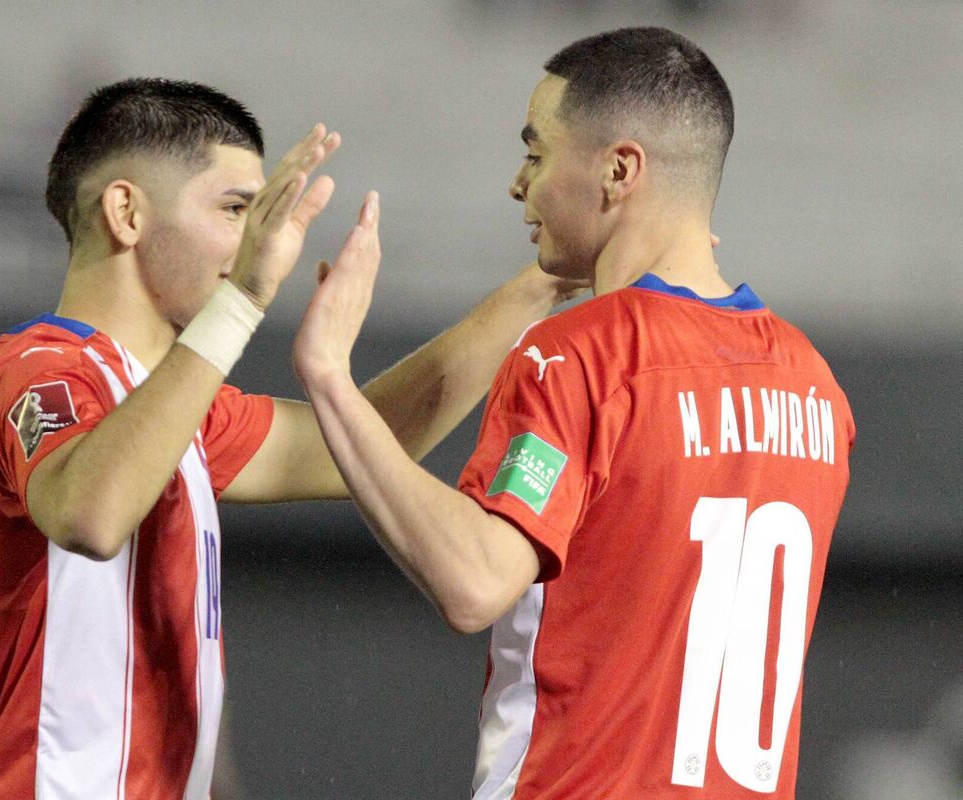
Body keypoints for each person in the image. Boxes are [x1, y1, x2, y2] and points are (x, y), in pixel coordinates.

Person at [0, 78, 584, 799]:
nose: (261, 239)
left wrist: (543, 285)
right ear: (125, 213)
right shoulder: (33, 372)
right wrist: (239, 302)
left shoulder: (178, 412)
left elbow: (367, 444)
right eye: (236, 209)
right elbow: (90, 515)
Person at [293, 27, 854, 799]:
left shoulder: (578, 356)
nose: (518, 185)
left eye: (536, 152)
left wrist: (329, 377)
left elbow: (476, 579)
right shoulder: (813, 384)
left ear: (620, 169)